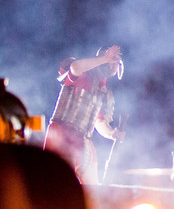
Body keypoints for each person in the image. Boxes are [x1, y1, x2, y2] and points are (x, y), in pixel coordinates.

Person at [43, 45, 126, 184]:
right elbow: (75, 67)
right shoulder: (84, 73)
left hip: (83, 140)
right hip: (63, 135)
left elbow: (99, 122)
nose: (113, 66)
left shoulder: (103, 90)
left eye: (115, 63)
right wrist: (104, 59)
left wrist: (112, 133)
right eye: (112, 62)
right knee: (57, 183)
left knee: (91, 188)